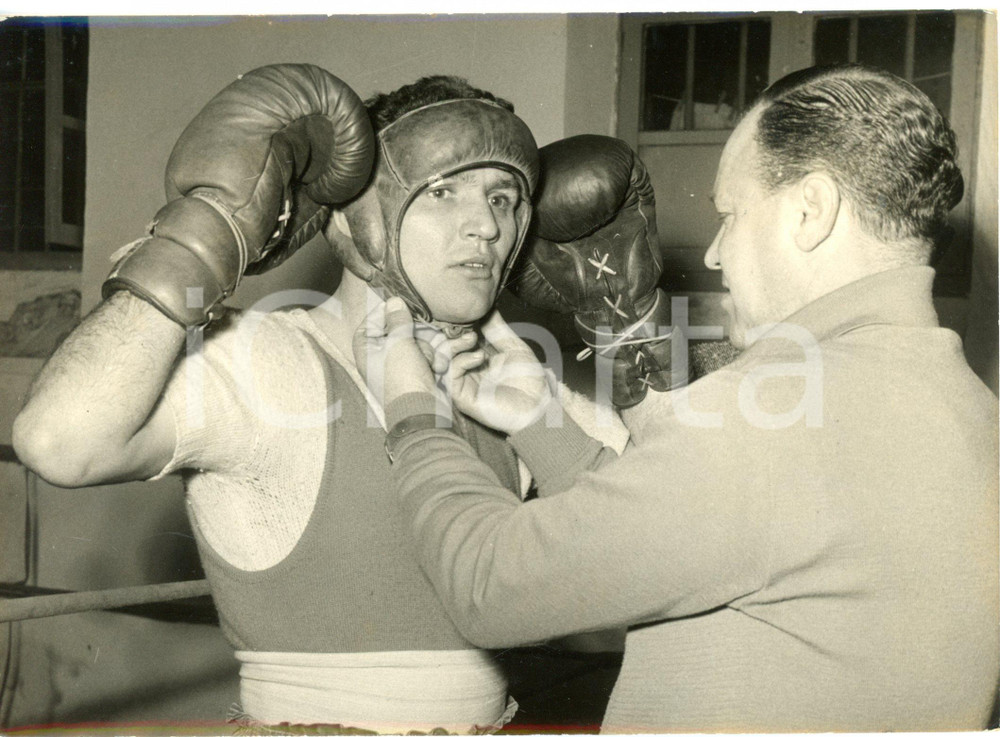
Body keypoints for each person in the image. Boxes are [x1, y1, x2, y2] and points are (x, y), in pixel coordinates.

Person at [362, 63, 1000, 732]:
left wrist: (415, 412)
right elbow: (685, 539)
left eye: (730, 214)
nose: (717, 253)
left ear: (811, 211)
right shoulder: (968, 408)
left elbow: (486, 586)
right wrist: (539, 421)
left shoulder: (770, 419)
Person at [12, 64, 629, 733]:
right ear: (359, 214)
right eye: (443, 191)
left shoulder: (501, 378)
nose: (485, 224)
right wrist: (197, 237)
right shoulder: (268, 359)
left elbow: (657, 533)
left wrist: (626, 321)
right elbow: (58, 443)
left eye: (504, 198)